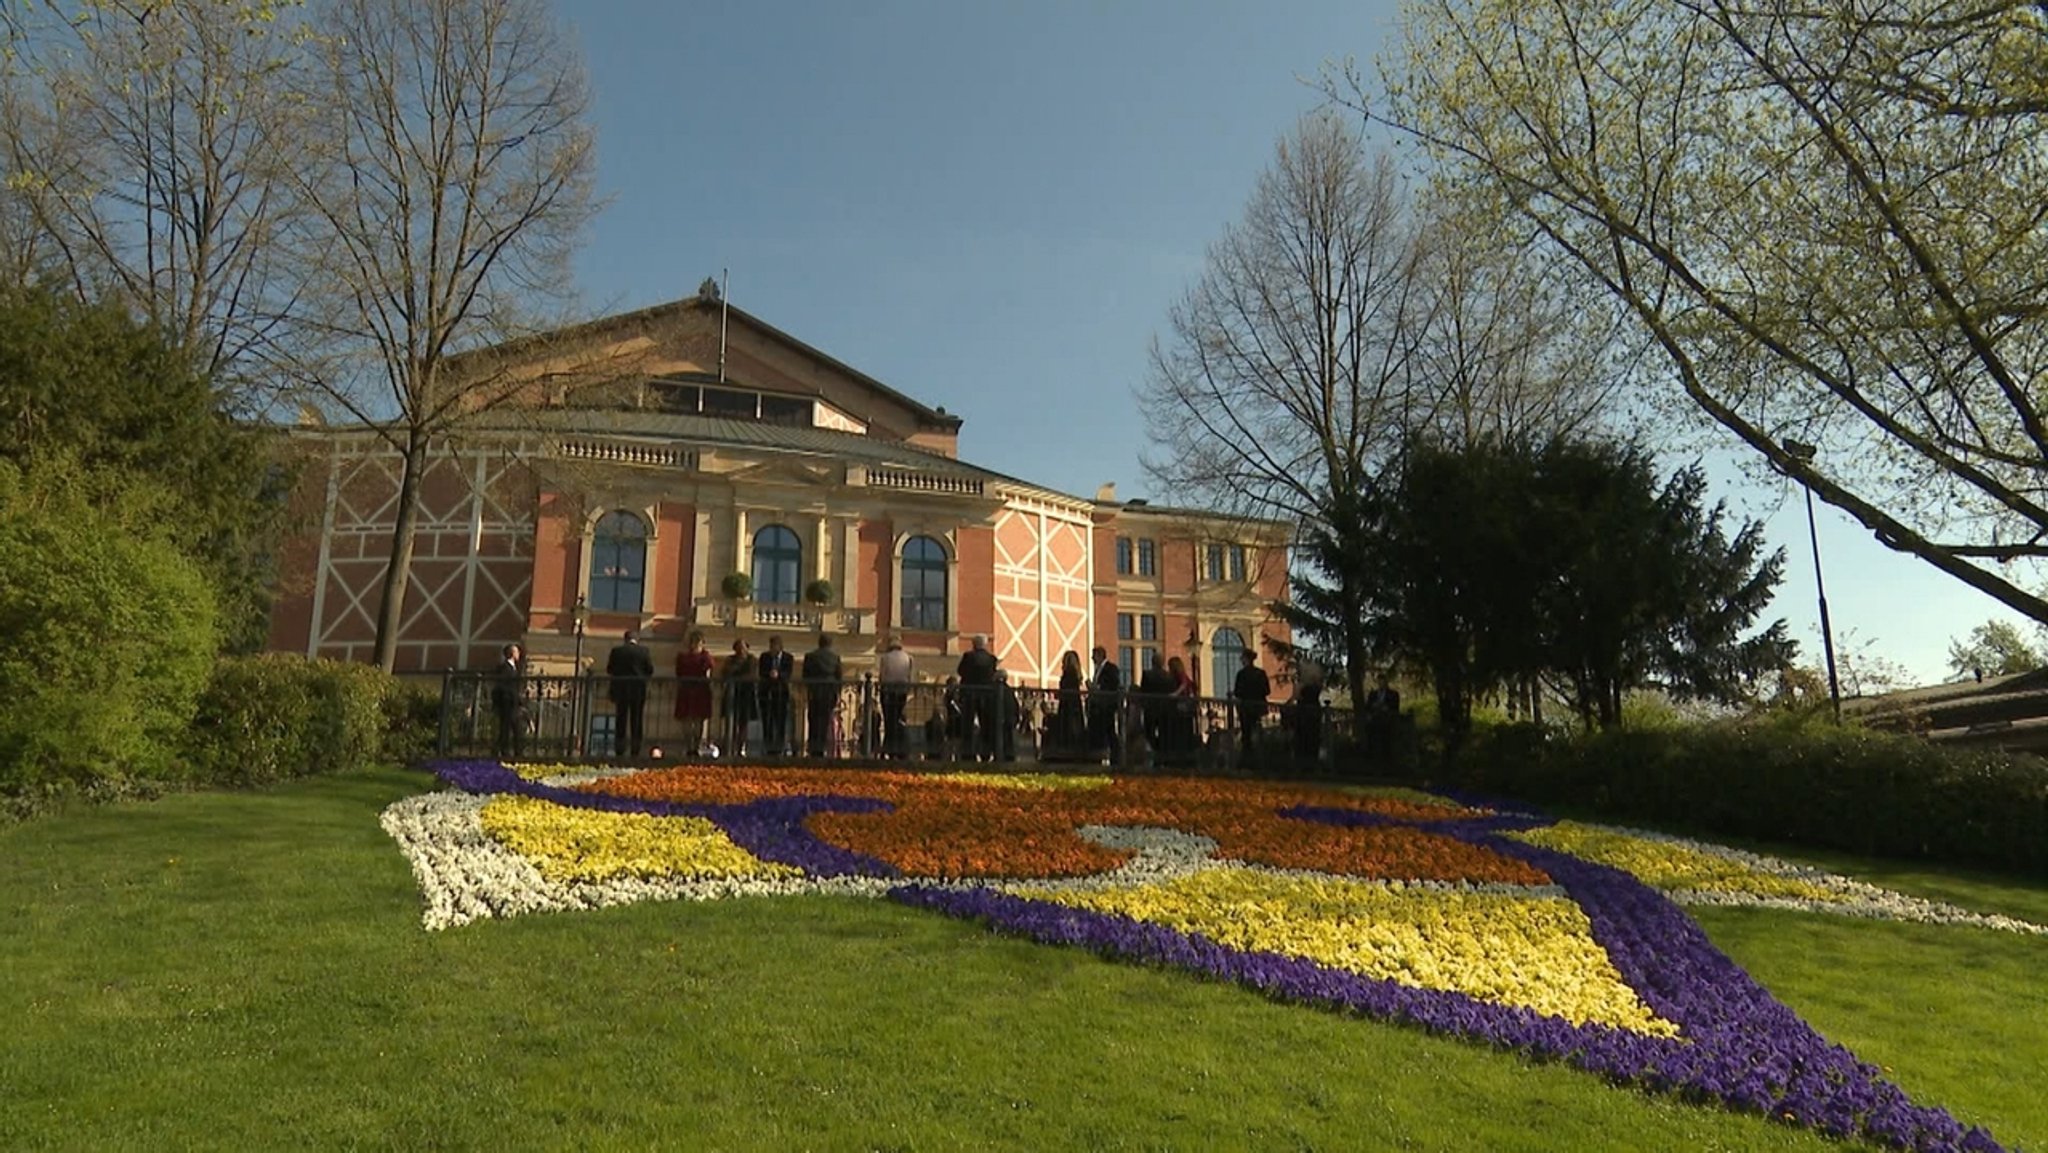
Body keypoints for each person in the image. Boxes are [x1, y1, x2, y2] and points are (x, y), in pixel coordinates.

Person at [605, 628, 655, 759]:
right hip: (638, 690)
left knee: (621, 719)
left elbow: (610, 669)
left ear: (625, 639)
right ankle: (635, 749)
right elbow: (649, 670)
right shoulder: (644, 651)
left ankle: (619, 749)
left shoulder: (617, 651)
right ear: (637, 640)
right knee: (636, 720)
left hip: (621, 689)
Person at [956, 634, 1000, 762]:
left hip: (969, 694)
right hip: (986, 695)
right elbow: (992, 675)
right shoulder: (992, 659)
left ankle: (967, 754)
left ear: (974, 644)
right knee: (985, 725)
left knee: (967, 725)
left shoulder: (968, 656)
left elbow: (960, 671)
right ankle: (985, 753)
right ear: (985, 644)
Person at [674, 630, 716, 757]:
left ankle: (695, 747)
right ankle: (690, 746)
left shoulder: (705, 656)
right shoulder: (684, 657)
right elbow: (679, 673)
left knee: (698, 720)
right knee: (688, 720)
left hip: (699, 690)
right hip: (690, 690)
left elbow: (708, 672)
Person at [802, 632, 843, 757]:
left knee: (813, 720)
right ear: (830, 644)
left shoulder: (810, 656)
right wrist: (837, 693)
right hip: (829, 694)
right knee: (825, 721)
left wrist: (809, 688)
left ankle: (813, 747)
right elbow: (839, 677)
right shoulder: (835, 658)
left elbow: (805, 676)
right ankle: (821, 747)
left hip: (814, 693)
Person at [877, 636, 913, 759]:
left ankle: (888, 749)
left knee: (889, 721)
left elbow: (882, 675)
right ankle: (896, 749)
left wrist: (880, 687)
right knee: (897, 720)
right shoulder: (908, 657)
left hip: (888, 692)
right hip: (902, 692)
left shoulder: (886, 657)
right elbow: (909, 676)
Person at [1232, 648, 1271, 763]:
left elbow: (1238, 692)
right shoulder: (1261, 673)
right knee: (1258, 733)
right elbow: (1267, 691)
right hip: (1258, 708)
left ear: (1246, 659)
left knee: (1246, 735)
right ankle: (1259, 758)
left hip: (1246, 708)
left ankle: (1247, 758)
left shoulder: (1241, 674)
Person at [488, 642, 526, 760]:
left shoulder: (515, 668)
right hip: (508, 704)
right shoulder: (505, 667)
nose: (519, 654)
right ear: (512, 654)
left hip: (513, 704)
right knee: (508, 729)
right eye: (517, 652)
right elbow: (503, 685)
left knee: (512, 729)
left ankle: (511, 751)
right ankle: (506, 752)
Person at [1138, 652, 1176, 766]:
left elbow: (1143, 692)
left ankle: (1152, 758)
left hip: (1151, 709)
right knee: (1164, 735)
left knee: (1149, 735)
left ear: (1152, 662)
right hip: (1165, 710)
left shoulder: (1147, 674)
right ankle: (1163, 759)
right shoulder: (1169, 676)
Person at [1087, 646, 1122, 765]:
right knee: (1104, 731)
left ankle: (1115, 757)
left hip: (1107, 706)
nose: (1092, 658)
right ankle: (1103, 755)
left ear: (1100, 655)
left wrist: (1096, 688)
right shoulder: (1098, 670)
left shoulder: (1110, 669)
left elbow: (1112, 685)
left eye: (1094, 656)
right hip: (1099, 706)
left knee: (1110, 731)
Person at [723, 638, 758, 757]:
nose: (742, 651)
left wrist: (736, 673)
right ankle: (729, 746)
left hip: (746, 694)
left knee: (744, 723)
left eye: (743, 648)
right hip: (732, 693)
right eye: (739, 648)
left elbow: (750, 674)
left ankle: (740, 747)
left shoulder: (751, 660)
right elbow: (726, 672)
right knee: (731, 720)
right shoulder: (730, 659)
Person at [759, 634, 794, 755]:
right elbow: (761, 672)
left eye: (774, 646)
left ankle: (779, 747)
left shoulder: (788, 658)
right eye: (771, 646)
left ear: (780, 647)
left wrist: (779, 675)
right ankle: (768, 747)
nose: (772, 648)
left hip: (781, 694)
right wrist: (769, 674)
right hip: (767, 694)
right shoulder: (764, 657)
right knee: (767, 722)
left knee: (780, 722)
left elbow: (788, 673)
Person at [1052, 649, 1085, 760]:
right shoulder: (1075, 674)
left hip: (1068, 705)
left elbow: (1066, 689)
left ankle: (1068, 750)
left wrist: (1060, 694)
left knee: (1067, 727)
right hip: (1074, 704)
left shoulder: (1069, 673)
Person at [1166, 655, 1198, 766]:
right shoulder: (1183, 675)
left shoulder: (1180, 675)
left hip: (1182, 709)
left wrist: (1175, 694)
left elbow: (1184, 684)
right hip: (1186, 709)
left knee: (1180, 733)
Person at [1364, 671, 1401, 763]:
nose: (1380, 684)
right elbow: (1367, 707)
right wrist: (1373, 708)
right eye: (1379, 682)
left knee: (1386, 740)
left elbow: (1395, 707)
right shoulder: (1373, 694)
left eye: (1382, 682)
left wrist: (1386, 708)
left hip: (1387, 721)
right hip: (1374, 720)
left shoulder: (1393, 694)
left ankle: (1387, 759)